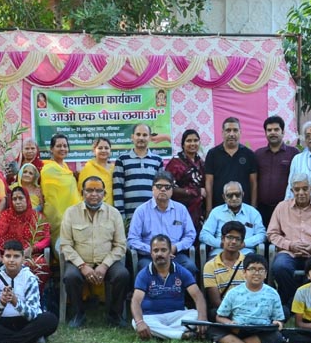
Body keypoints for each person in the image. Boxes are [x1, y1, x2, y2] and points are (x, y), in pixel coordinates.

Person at [61, 176, 129, 328]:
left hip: (107, 261)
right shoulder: (71, 213)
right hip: (80, 261)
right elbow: (66, 245)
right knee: (70, 276)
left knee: (122, 275)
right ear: (82, 192)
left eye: (98, 190)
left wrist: (104, 265)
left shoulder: (114, 213)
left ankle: (115, 316)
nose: (94, 194)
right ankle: (78, 314)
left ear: (104, 194)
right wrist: (82, 266)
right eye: (90, 190)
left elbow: (120, 245)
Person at [267, 173, 311, 309]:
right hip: (288, 252)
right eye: (297, 189)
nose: (301, 192)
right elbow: (272, 234)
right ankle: (294, 300)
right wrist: (290, 245)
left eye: (305, 188)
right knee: (280, 267)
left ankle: (309, 303)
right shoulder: (282, 207)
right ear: (292, 190)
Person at [0, 240, 58, 343]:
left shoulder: (29, 278)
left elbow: (33, 314)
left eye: (16, 256)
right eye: (8, 256)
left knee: (50, 319)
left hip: (26, 322)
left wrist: (15, 301)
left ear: (23, 259)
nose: (12, 260)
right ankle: (31, 339)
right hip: (3, 322)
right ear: (3, 258)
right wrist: (2, 302)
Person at [207, 253, 284, 343]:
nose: (256, 273)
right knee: (213, 329)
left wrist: (278, 323)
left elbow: (279, 319)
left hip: (260, 331)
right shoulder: (233, 293)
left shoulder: (273, 293)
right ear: (244, 273)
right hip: (237, 330)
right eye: (252, 269)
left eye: (261, 270)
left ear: (266, 274)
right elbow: (219, 317)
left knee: (276, 336)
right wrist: (229, 323)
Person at [130, 235, 208, 341]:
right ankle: (182, 335)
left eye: (163, 250)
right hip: (152, 316)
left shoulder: (181, 271)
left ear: (170, 252)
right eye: (156, 250)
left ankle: (161, 333)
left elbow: (197, 296)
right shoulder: (144, 274)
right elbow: (136, 301)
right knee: (136, 322)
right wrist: (140, 322)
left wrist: (202, 318)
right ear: (151, 253)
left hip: (176, 315)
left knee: (195, 314)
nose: (159, 254)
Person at [128, 171, 198, 275]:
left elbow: (190, 235)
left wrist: (175, 247)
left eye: (167, 187)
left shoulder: (181, 209)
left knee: (190, 267)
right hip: (149, 255)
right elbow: (132, 239)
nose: (163, 189)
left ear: (172, 190)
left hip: (175, 254)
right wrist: (155, 251)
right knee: (144, 269)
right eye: (159, 186)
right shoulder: (141, 211)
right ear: (152, 188)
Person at [0, 187, 50, 292]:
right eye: (14, 199)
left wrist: (32, 248)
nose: (17, 202)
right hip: (10, 255)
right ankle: (10, 299)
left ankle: (35, 298)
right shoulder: (6, 215)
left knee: (40, 264)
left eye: (20, 198)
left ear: (26, 199)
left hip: (30, 256)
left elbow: (46, 238)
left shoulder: (36, 216)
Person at [204, 117, 258, 213]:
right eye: (228, 130)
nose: (231, 134)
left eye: (235, 130)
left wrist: (253, 208)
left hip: (243, 208)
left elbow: (253, 183)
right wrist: (209, 209)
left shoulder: (249, 154)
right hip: (219, 207)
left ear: (240, 132)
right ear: (222, 133)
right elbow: (209, 183)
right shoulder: (213, 154)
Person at [200, 181, 266, 258]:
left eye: (237, 195)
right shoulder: (216, 212)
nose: (234, 198)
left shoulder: (253, 212)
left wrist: (244, 243)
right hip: (220, 252)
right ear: (224, 197)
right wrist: (221, 243)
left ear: (243, 195)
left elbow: (262, 235)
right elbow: (204, 235)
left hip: (246, 252)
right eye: (230, 195)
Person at [113, 124, 164, 222]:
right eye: (138, 134)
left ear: (149, 138)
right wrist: (121, 217)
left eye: (145, 135)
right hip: (129, 217)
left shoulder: (157, 160)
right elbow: (117, 190)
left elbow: (161, 189)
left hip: (153, 216)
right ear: (132, 137)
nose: (141, 138)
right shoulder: (122, 160)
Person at [255, 116, 299, 227]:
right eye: (269, 130)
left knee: (283, 241)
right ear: (265, 133)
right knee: (262, 241)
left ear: (283, 132)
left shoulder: (294, 153)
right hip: (262, 209)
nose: (272, 133)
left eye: (276, 129)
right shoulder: (258, 154)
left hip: (286, 208)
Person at [40, 134, 79, 245]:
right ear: (52, 149)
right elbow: (51, 198)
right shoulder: (48, 168)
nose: (62, 149)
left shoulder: (66, 167)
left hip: (72, 215)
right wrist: (61, 218)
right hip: (57, 217)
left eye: (65, 146)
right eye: (59, 146)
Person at [202, 221, 247, 315]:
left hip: (247, 309)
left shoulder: (248, 263)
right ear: (222, 239)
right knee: (214, 313)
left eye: (237, 239)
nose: (233, 242)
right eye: (230, 237)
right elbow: (215, 301)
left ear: (242, 242)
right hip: (224, 310)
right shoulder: (210, 266)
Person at [165, 130, 205, 232]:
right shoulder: (175, 163)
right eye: (189, 141)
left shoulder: (201, 163)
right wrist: (196, 192)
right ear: (183, 144)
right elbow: (168, 188)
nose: (192, 144)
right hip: (180, 210)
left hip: (199, 212)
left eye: (195, 141)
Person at [78, 137, 115, 206]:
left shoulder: (114, 169)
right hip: (92, 208)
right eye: (100, 148)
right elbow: (81, 192)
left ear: (110, 150)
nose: (103, 150)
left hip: (111, 209)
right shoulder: (87, 168)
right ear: (94, 150)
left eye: (106, 148)